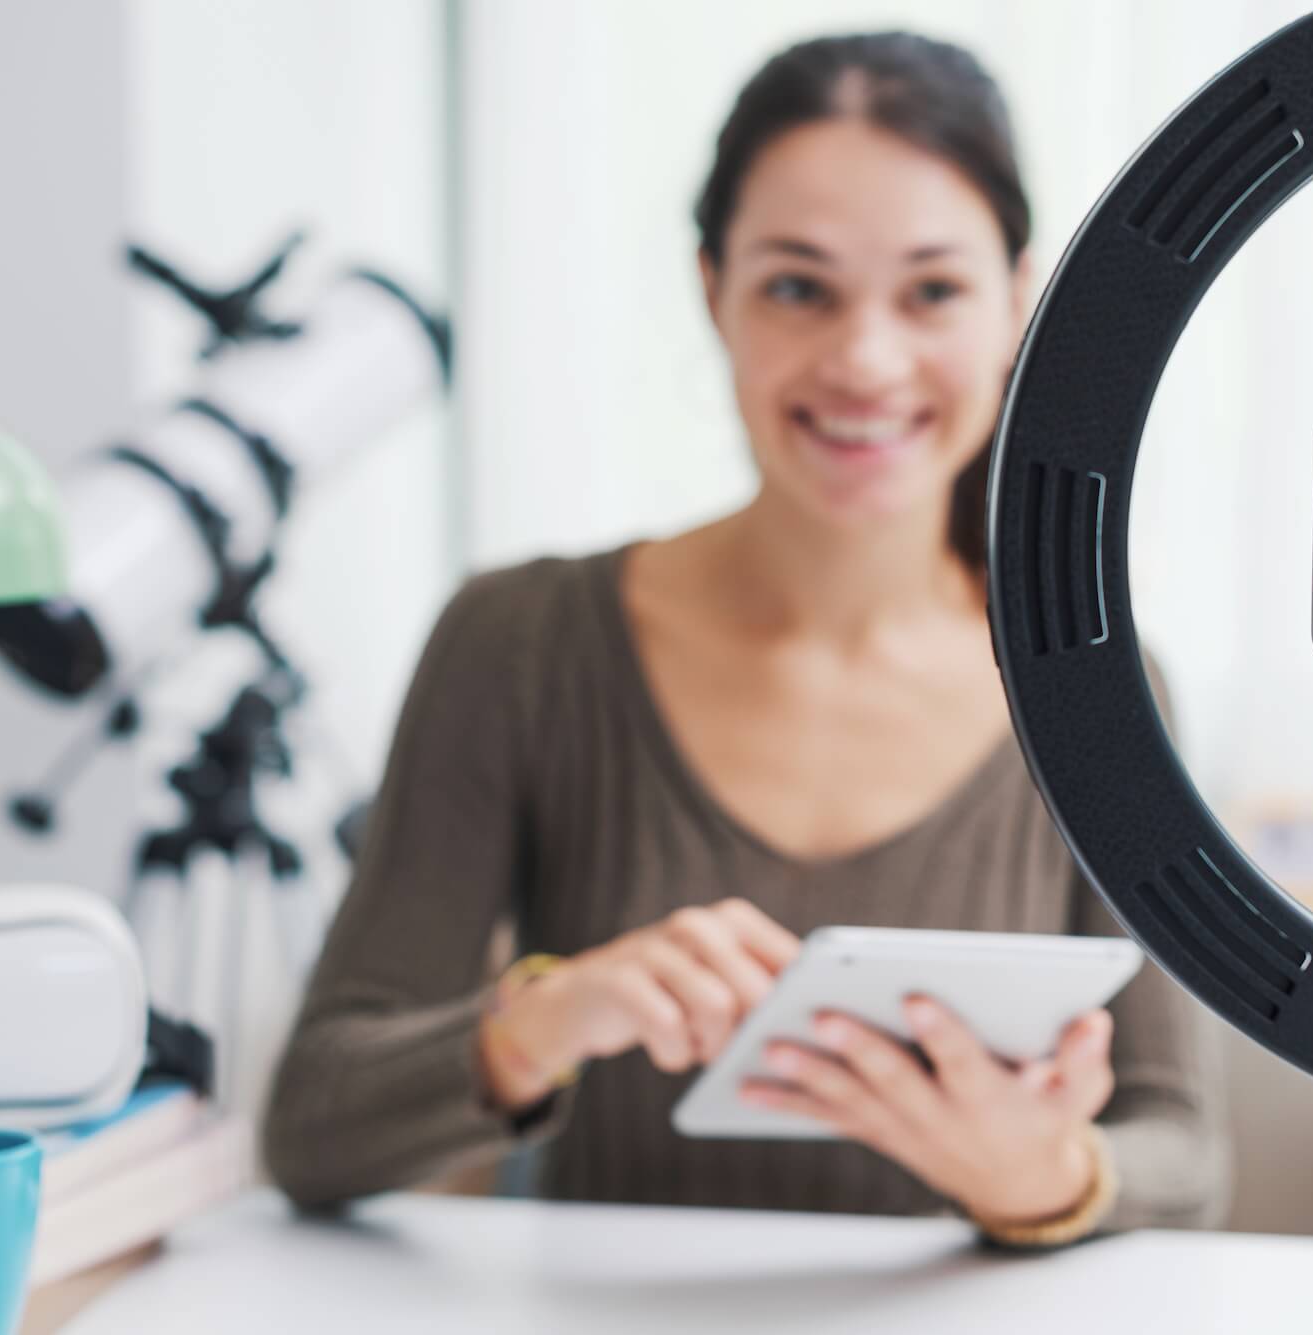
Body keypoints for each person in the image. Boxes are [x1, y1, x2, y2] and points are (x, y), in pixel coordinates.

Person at [264, 30, 1229, 1246]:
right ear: (711, 289)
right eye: (796, 286)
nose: (864, 359)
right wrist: (538, 1024)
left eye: (931, 290)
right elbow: (310, 1131)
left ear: (1014, 301)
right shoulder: (517, 643)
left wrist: (1046, 1177)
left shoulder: (1100, 687)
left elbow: (1181, 1150)